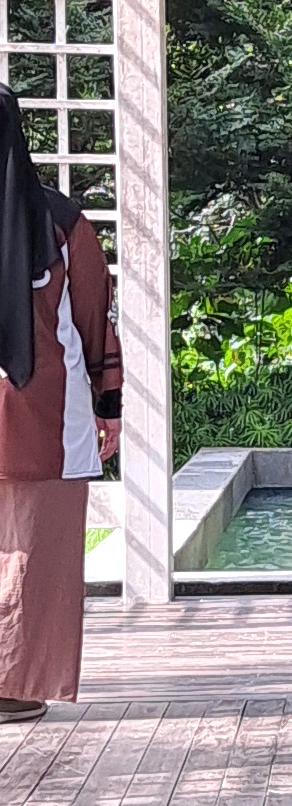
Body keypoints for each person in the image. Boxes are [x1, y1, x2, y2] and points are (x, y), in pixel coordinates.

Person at [0, 92, 123, 719]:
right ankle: (17, 688)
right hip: (47, 407)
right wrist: (110, 403)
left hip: (44, 407)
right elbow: (93, 317)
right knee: (40, 548)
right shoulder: (62, 221)